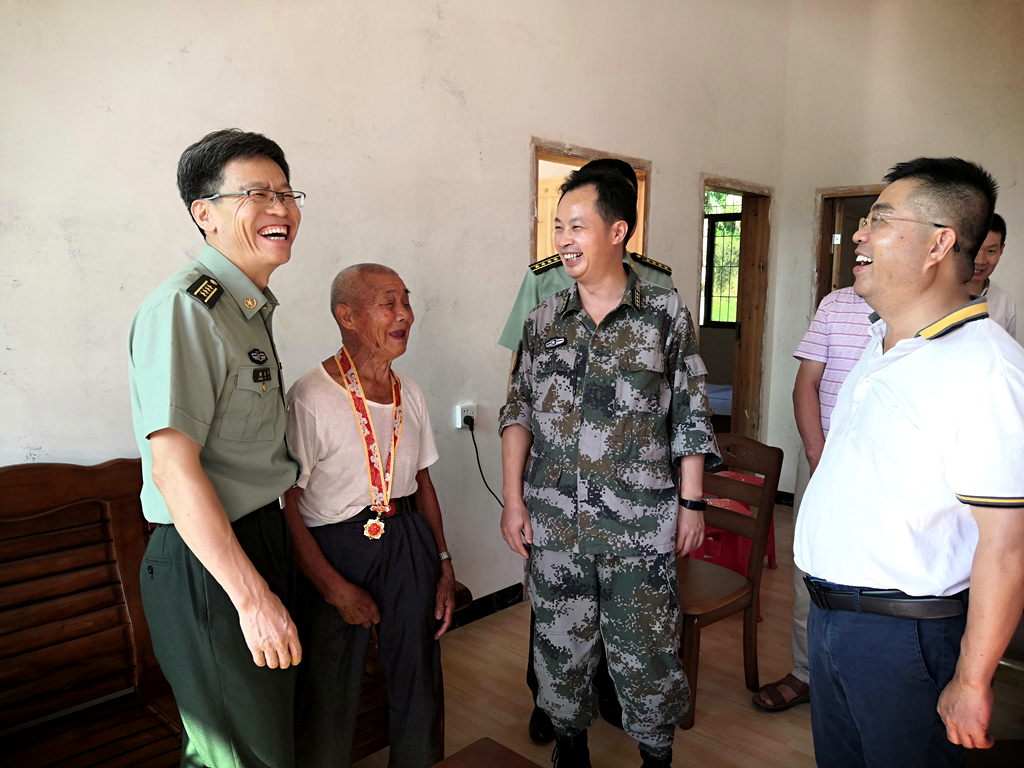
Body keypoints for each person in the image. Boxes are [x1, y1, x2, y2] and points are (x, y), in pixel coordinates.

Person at [794, 157, 1024, 767]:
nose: (859, 235)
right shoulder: (881, 342)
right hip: (832, 619)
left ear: (939, 244)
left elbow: (1007, 546)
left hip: (904, 638)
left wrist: (972, 681)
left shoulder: (986, 370)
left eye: (880, 220)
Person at [499, 165, 720, 768]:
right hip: (555, 523)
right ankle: (569, 749)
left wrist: (692, 502)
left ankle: (656, 755)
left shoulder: (664, 313)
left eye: (577, 226)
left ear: (617, 231)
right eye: (558, 227)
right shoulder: (544, 320)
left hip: (640, 526)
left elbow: (690, 412)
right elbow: (518, 410)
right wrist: (514, 500)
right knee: (559, 648)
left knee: (647, 650)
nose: (563, 240)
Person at [128, 129, 305, 768]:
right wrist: (251, 599)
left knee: (256, 741)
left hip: (255, 538)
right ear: (204, 213)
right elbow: (173, 470)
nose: (281, 208)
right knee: (241, 753)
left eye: (286, 193)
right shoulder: (186, 307)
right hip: (208, 561)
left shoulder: (244, 307)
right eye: (257, 194)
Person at [284, 264, 455, 768]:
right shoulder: (311, 397)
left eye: (407, 301)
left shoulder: (411, 394)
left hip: (407, 537)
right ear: (348, 316)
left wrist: (443, 563)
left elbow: (424, 484)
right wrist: (332, 587)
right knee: (330, 683)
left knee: (419, 673)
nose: (406, 315)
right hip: (335, 546)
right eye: (388, 303)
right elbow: (286, 504)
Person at [752, 285, 873, 712]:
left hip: (884, 470)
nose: (861, 252)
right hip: (822, 458)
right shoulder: (836, 304)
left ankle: (862, 682)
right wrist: (819, 456)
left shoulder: (929, 306)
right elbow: (806, 384)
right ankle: (806, 672)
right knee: (810, 566)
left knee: (874, 575)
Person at [967, 213, 1016, 339]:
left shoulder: (1004, 301)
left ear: (1001, 250)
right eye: (974, 249)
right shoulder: (934, 296)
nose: (980, 260)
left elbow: (1007, 348)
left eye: (990, 251)